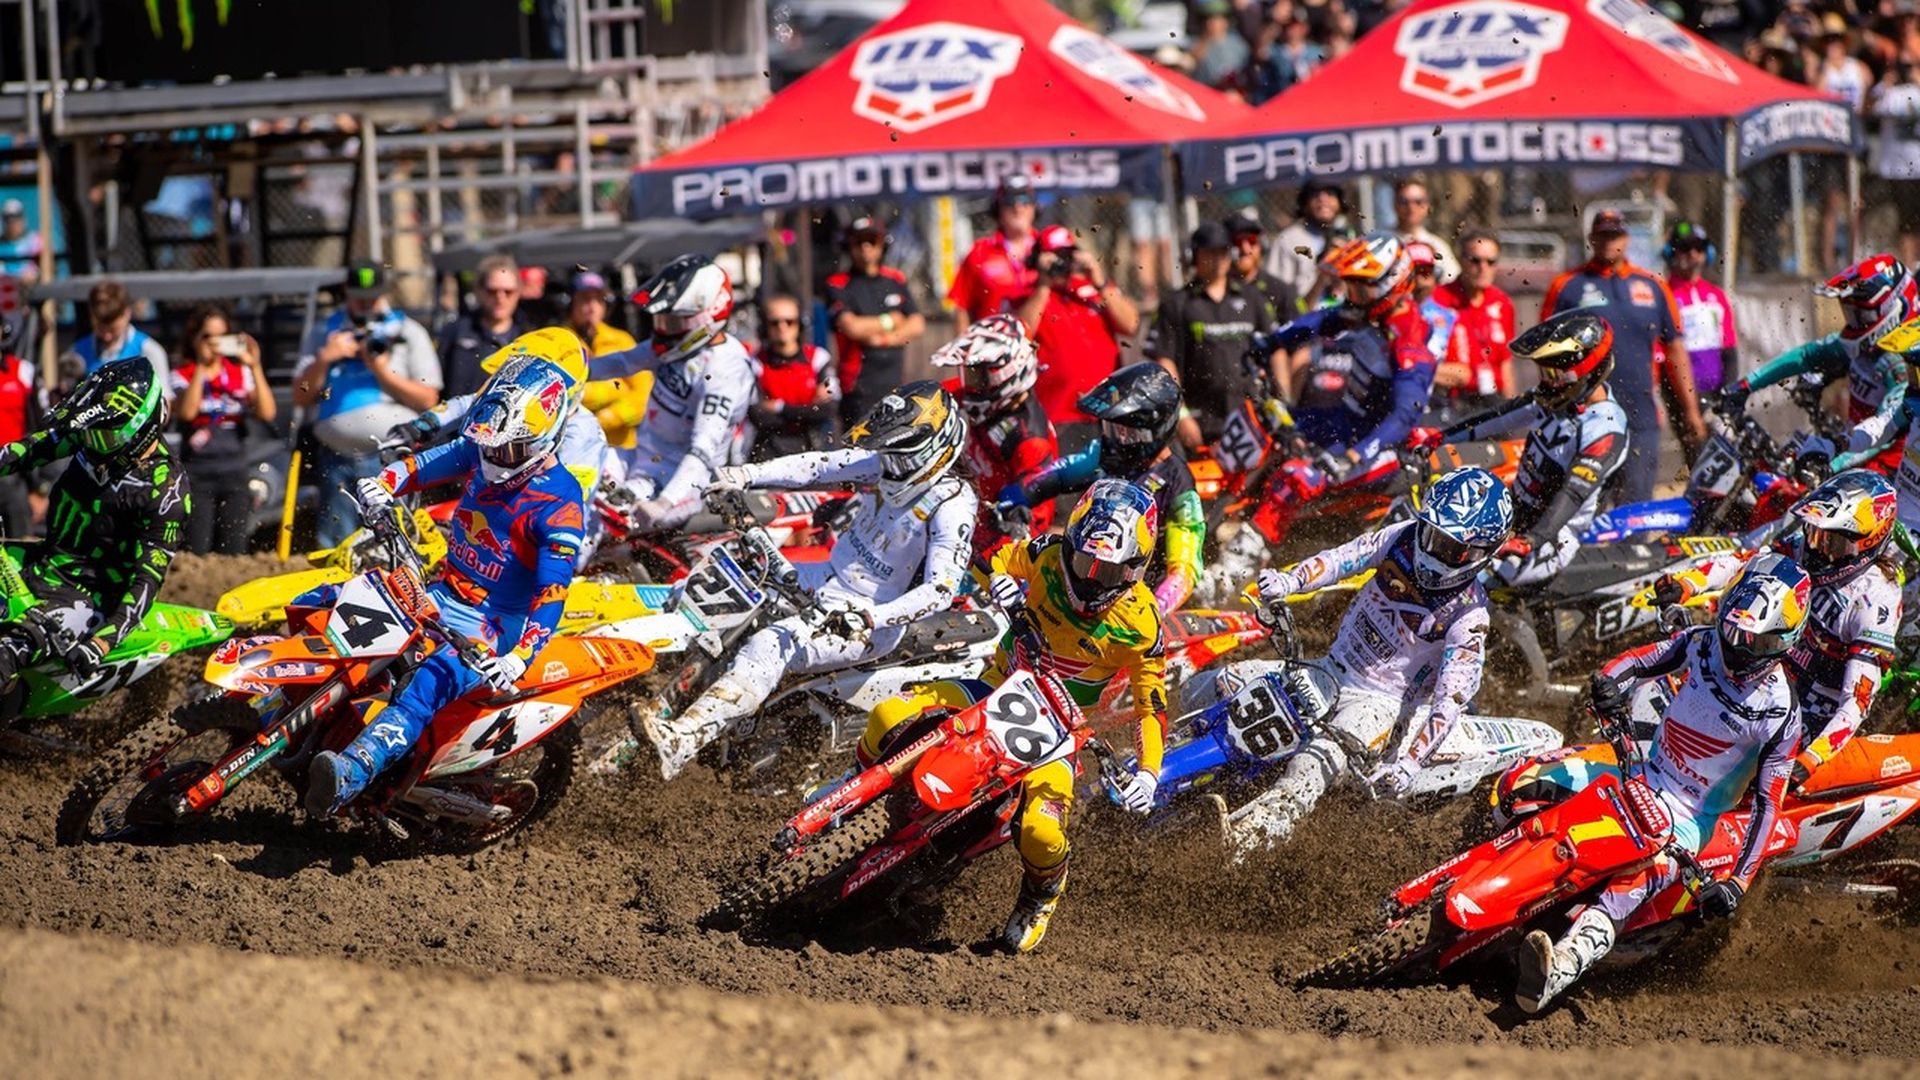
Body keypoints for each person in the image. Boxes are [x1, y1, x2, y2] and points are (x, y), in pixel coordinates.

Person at [859, 479, 1170, 953]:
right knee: (887, 717)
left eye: (1105, 572)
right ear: (1068, 545)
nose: (1089, 580)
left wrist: (1148, 774)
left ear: (1134, 569)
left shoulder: (1143, 626)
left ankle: (1040, 895)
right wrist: (998, 580)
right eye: (1083, 562)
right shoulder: (1046, 554)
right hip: (992, 686)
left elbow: (1152, 709)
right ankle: (851, 789)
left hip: (1059, 736)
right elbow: (1000, 558)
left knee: (1042, 833)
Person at [640, 381, 977, 780]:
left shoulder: (952, 504)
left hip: (866, 615)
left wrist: (871, 618)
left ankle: (683, 740)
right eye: (886, 453)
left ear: (934, 450)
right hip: (825, 575)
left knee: (768, 645)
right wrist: (745, 475)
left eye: (899, 456)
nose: (888, 464)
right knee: (724, 573)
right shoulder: (887, 465)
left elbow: (940, 590)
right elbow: (818, 466)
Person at [1517, 555, 1807, 1014]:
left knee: (1631, 883)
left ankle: (1559, 968)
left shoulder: (1781, 714)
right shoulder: (1703, 642)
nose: (1736, 645)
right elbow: (1637, 661)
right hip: (1639, 770)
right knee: (1528, 782)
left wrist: (1738, 883)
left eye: (1752, 641)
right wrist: (1608, 682)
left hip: (1692, 819)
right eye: (1732, 630)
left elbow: (1769, 805)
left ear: (1780, 643)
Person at [305, 354, 588, 815]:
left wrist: (519, 658)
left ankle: (350, 773)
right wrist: (384, 483)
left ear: (545, 439)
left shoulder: (560, 503)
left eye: (511, 450)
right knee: (335, 603)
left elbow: (553, 591)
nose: (496, 458)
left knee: (427, 684)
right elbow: (422, 464)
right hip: (440, 590)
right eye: (492, 446)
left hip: (494, 626)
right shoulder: (486, 448)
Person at [1228, 467, 1513, 853]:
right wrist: (1290, 581)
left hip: (1383, 708)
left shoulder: (1470, 616)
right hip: (1331, 669)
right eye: (1430, 533)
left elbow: (1450, 702)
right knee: (1229, 681)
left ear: (1479, 553)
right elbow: (1344, 559)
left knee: (1314, 763)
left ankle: (1238, 848)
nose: (1430, 549)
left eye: (1449, 546)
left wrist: (1410, 765)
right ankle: (1147, 766)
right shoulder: (1403, 538)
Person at [1652, 471, 1900, 783]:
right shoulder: (1801, 547)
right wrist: (1688, 582)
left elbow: (1858, 699)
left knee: (1720, 762)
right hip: (1757, 677)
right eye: (1815, 534)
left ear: (1868, 544)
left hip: (1805, 716)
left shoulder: (1874, 601)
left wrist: (1811, 758)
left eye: (1833, 542)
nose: (1819, 550)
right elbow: (1747, 561)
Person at [0, 359, 185, 686]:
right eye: (91, 436)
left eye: (105, 438)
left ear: (140, 429)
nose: (93, 445)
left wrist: (102, 643)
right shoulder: (93, 439)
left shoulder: (165, 490)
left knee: (9, 649)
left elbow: (148, 577)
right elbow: (29, 449)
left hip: (91, 595)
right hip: (46, 561)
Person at [1417, 312, 1628, 587]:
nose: (1547, 382)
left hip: (1552, 538)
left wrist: (1530, 541)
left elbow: (1574, 493)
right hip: (1515, 514)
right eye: (1543, 372)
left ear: (1587, 372)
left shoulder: (1605, 428)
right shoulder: (1555, 397)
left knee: (1465, 584)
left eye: (1554, 373)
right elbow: (1498, 417)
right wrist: (1438, 439)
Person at [1001, 363, 1205, 612]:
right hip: (1079, 578)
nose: (1113, 440)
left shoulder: (1178, 483)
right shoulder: (1104, 454)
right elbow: (1058, 474)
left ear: (1153, 430)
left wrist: (1154, 612)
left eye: (1124, 432)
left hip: (1136, 598)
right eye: (1111, 428)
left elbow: (1184, 570)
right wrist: (1013, 499)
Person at [1541, 209, 1704, 504]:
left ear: (1626, 239)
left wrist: (1690, 410)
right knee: (1585, 504)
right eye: (1602, 235)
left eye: (1614, 235)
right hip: (1587, 416)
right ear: (1591, 239)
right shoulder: (1567, 286)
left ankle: (1632, 551)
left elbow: (1675, 349)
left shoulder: (1653, 285)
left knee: (1636, 502)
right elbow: (1545, 351)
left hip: (1640, 413)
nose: (1608, 242)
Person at [593, 255, 755, 533]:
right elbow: (623, 362)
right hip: (641, 460)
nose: (662, 330)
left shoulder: (724, 370)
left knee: (605, 523)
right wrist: (566, 369)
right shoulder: (677, 345)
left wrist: (664, 503)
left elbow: (702, 449)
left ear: (707, 317)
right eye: (660, 319)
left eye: (672, 321)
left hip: (683, 484)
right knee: (576, 468)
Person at [1722, 254, 1917, 478]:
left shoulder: (1903, 364)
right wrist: (1746, 385)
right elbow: (1806, 355)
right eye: (1849, 314)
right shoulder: (1865, 345)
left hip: (1890, 472)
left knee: (1790, 502)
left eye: (1860, 314)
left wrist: (1831, 461)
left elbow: (1884, 431)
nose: (1854, 323)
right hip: (1851, 452)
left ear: (1894, 307)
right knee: (1776, 490)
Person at [291, 261, 442, 548]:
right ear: (346, 292)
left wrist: (381, 370)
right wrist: (325, 359)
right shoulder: (324, 332)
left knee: (395, 540)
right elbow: (300, 395)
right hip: (337, 456)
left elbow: (428, 399)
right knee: (338, 543)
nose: (364, 301)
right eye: (358, 294)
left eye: (372, 294)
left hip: (389, 457)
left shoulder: (408, 332)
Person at [1276, 234, 1436, 484]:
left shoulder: (1408, 338)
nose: (1352, 297)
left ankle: (1256, 524)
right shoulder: (1373, 309)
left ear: (1390, 283)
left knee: (1296, 483)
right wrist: (1271, 341)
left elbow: (1406, 414)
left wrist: (1355, 456)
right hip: (1343, 421)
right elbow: (1323, 320)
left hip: (1376, 445)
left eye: (1359, 289)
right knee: (1276, 430)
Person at [388, 327, 607, 510]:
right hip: (491, 502)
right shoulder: (522, 402)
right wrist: (422, 426)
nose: (522, 384)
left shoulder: (582, 435)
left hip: (545, 531)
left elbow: (565, 500)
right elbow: (469, 404)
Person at [931, 314, 1058, 551]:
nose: (970, 383)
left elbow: (1031, 521)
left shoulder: (1031, 441)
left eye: (977, 375)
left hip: (994, 543)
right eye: (969, 373)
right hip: (957, 513)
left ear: (1007, 372)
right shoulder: (976, 397)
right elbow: (928, 400)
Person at [1148, 222, 1277, 449]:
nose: (1218, 259)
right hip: (1201, 419)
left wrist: (1279, 399)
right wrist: (1182, 414)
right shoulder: (1177, 303)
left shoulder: (1252, 297)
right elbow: (1164, 360)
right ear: (1193, 256)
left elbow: (1273, 350)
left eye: (1223, 252)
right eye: (1210, 253)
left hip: (1250, 416)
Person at [1017, 224, 1138, 454]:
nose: (1062, 263)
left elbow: (1131, 324)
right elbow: (1020, 333)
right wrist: (1044, 284)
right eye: (1055, 255)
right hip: (1061, 416)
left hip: (1109, 412)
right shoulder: (1030, 294)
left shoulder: (1093, 289)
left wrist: (1099, 279)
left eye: (1067, 255)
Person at [171, 305, 276, 555]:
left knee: (234, 546)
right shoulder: (182, 374)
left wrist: (255, 366)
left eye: (221, 336)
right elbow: (186, 412)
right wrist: (201, 368)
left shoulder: (239, 373)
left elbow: (267, 412)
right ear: (194, 339)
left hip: (234, 470)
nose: (214, 343)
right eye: (207, 336)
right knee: (197, 546)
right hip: (197, 473)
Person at [829, 216, 925, 426]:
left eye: (871, 241)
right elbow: (851, 327)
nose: (865, 248)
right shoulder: (839, 284)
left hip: (895, 382)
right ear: (849, 246)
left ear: (882, 244)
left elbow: (917, 323)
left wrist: (885, 339)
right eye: (858, 242)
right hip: (858, 388)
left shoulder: (895, 280)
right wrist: (891, 320)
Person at [747, 294, 840, 459]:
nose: (782, 327)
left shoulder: (819, 358)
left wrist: (779, 407)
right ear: (765, 327)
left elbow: (828, 410)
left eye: (790, 322)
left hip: (812, 449)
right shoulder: (755, 362)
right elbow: (758, 415)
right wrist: (807, 409)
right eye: (775, 322)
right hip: (769, 450)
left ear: (800, 325)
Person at [1432, 230, 1516, 410]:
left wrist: (1511, 407)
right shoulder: (1439, 301)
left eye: (1491, 262)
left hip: (1494, 399)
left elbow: (1505, 363)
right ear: (1461, 260)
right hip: (1453, 401)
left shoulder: (1502, 303)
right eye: (1475, 260)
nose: (1483, 268)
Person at [948, 176, 1040, 330]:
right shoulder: (980, 252)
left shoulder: (1051, 247)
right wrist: (964, 349)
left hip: (1042, 347)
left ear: (1034, 207)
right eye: (1010, 202)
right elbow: (962, 307)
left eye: (1025, 200)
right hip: (993, 346)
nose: (1018, 208)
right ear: (998, 208)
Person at [1662, 221, 1737, 399]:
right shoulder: (1664, 295)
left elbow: (1729, 349)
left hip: (1717, 391)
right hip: (1682, 396)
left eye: (1699, 248)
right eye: (1685, 248)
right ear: (1671, 253)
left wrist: (1728, 391)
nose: (1693, 254)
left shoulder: (1717, 295)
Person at [436, 255, 527, 400]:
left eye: (508, 292)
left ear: (518, 292)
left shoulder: (528, 337)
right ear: (479, 290)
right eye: (492, 291)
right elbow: (433, 386)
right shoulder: (455, 332)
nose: (500, 298)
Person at [62, 279, 170, 389]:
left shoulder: (148, 351)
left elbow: (164, 400)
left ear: (127, 313)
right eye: (100, 328)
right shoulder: (77, 352)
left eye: (113, 329)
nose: (106, 336)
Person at [1871, 56, 1920, 268]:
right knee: (1907, 222)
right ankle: (1909, 266)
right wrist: (1885, 83)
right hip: (1898, 169)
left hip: (1916, 166)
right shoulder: (1891, 93)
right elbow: (1869, 108)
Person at [1268, 178, 1352, 303]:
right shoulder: (1288, 240)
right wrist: (1324, 273)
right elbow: (1277, 298)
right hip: (1304, 318)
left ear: (1340, 202)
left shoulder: (1347, 237)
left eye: (1330, 193)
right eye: (1315, 194)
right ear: (1304, 203)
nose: (1323, 199)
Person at [0, 315, 40, 536]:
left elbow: (39, 429)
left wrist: (39, 488)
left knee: (20, 550)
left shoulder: (23, 371)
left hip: (13, 478)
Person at [1406, 241, 1467, 382]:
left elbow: (1462, 373)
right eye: (1413, 271)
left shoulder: (1449, 317)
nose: (1419, 279)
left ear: (1436, 275)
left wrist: (1414, 368)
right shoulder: (1387, 314)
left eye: (1426, 271)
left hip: (1436, 400)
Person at [1226, 208, 1299, 322]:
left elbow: (1300, 334)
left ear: (1262, 246)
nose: (1245, 249)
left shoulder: (1280, 291)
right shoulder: (1215, 291)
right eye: (1237, 242)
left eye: (1251, 240)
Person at [1391, 178, 1458, 284]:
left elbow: (1451, 282)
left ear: (1427, 206)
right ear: (1394, 205)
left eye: (1418, 201)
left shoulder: (1439, 246)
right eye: (1404, 201)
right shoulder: (1382, 243)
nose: (1411, 207)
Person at [566, 270, 638, 357]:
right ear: (570, 304)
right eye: (585, 299)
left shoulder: (622, 340)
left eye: (599, 299)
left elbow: (642, 370)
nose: (593, 307)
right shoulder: (556, 339)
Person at [0, 199, 42, 283]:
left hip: (33, 289)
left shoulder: (35, 241)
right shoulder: (1, 245)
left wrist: (36, 275)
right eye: (8, 220)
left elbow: (48, 268)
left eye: (16, 218)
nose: (13, 224)